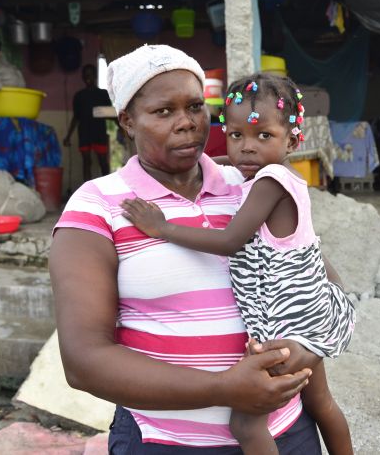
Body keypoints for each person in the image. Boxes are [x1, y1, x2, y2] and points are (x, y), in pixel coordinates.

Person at [50, 45, 334, 454]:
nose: (186, 123)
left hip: (284, 432)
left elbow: (317, 277)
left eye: (195, 106)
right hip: (166, 441)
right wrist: (224, 388)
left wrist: (303, 351)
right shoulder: (98, 205)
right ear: (127, 121)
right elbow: (83, 360)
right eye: (163, 111)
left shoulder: (251, 185)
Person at [121, 72, 356, 455]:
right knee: (321, 402)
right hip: (306, 312)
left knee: (245, 423)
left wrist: (161, 227)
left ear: (293, 140)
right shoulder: (279, 178)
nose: (247, 148)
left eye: (263, 136)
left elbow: (230, 241)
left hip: (286, 324)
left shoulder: (269, 183)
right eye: (236, 136)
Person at [63, 63, 111, 181]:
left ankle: (109, 191)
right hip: (84, 133)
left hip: (99, 133)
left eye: (90, 74)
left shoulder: (103, 94)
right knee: (86, 162)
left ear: (95, 76)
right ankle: (87, 192)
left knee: (103, 162)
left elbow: (111, 114)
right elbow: (76, 117)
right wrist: (68, 136)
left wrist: (122, 128)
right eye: (85, 75)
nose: (87, 77)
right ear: (83, 77)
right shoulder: (79, 96)